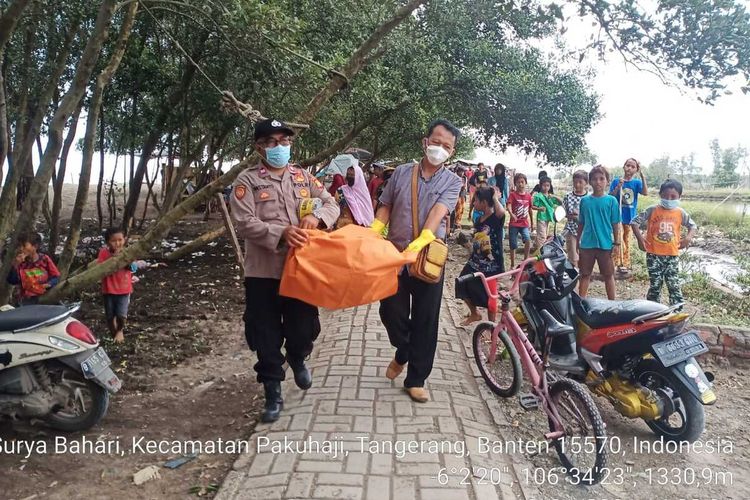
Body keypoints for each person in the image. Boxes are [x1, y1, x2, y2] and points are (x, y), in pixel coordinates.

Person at [231, 118, 340, 423]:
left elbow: (332, 204)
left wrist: (317, 218)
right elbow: (244, 222)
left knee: (304, 328)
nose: (279, 147)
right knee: (264, 334)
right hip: (263, 273)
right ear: (259, 148)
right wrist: (281, 233)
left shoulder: (304, 178)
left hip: (301, 270)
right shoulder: (247, 181)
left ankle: (297, 355)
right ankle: (272, 392)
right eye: (271, 142)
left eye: (284, 141)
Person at [371, 119, 462, 403]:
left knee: (426, 318)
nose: (440, 148)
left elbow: (438, 213)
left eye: (446, 146)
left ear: (452, 151)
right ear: (425, 142)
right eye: (436, 142)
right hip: (395, 255)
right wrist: (373, 232)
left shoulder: (453, 181)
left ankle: (416, 378)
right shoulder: (400, 173)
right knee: (390, 312)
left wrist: (420, 242)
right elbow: (385, 206)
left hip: (428, 256)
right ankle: (404, 350)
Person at [631, 180, 697, 308]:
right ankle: (652, 310)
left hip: (672, 255)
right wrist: (640, 239)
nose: (669, 199)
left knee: (674, 285)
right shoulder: (652, 210)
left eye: (673, 197)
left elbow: (693, 226)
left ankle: (677, 312)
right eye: (665, 196)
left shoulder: (680, 212)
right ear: (660, 195)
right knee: (655, 285)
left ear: (679, 197)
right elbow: (634, 222)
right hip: (653, 255)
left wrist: (687, 238)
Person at [455, 187, 506, 325]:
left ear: (484, 202)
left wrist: (495, 197)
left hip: (491, 266)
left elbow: (501, 211)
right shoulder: (479, 219)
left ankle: (492, 327)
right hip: (475, 262)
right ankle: (475, 314)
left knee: (491, 298)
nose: (473, 203)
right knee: (461, 283)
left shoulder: (495, 219)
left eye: (476, 201)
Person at [577, 165, 622, 300]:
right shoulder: (585, 201)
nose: (598, 182)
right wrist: (577, 242)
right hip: (587, 245)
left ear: (607, 181)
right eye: (595, 179)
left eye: (602, 179)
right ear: (590, 182)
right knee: (585, 274)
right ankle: (581, 302)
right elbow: (581, 223)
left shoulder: (611, 201)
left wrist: (617, 243)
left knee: (608, 275)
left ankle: (613, 304)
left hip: (605, 245)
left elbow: (615, 224)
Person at [98, 228, 139, 344]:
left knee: (121, 315)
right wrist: (113, 258)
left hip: (124, 289)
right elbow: (101, 268)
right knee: (110, 316)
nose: (117, 243)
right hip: (108, 289)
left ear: (124, 240)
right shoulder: (103, 253)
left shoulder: (127, 252)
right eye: (113, 241)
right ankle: (114, 335)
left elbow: (134, 268)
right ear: (107, 242)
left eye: (120, 240)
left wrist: (127, 263)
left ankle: (120, 330)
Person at [609, 158, 648, 274]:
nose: (629, 168)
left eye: (632, 167)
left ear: (636, 169)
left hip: (630, 218)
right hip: (617, 217)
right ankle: (616, 263)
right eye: (627, 165)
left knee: (627, 241)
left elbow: (645, 193)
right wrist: (618, 187)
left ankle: (624, 264)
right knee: (619, 240)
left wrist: (643, 177)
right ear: (624, 166)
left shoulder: (636, 183)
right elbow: (610, 196)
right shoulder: (617, 181)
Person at [6, 232, 60, 306]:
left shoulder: (45, 259)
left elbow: (56, 277)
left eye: (24, 245)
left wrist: (49, 284)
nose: (21, 249)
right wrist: (15, 265)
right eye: (20, 246)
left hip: (45, 297)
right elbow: (12, 281)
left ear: (35, 246)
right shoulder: (21, 263)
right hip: (26, 300)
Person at [562, 170, 589, 267]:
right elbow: (563, 212)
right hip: (571, 229)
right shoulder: (568, 197)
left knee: (584, 255)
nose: (577, 185)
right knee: (572, 256)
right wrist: (570, 216)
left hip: (586, 231)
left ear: (586, 183)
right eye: (575, 182)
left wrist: (580, 216)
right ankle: (574, 276)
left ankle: (583, 275)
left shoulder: (590, 198)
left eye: (580, 182)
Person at [335, 164, 375, 228]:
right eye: (348, 175)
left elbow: (367, 211)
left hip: (362, 227)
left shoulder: (363, 192)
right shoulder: (341, 190)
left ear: (358, 177)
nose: (349, 177)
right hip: (344, 225)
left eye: (352, 175)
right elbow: (336, 205)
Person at [506, 173, 532, 269]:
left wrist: (532, 223)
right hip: (514, 224)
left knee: (528, 240)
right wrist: (511, 214)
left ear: (525, 183)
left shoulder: (528, 196)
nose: (520, 184)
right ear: (515, 184)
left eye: (522, 182)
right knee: (513, 245)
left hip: (524, 224)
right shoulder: (513, 195)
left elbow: (530, 209)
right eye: (518, 182)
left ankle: (525, 262)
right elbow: (508, 205)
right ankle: (512, 265)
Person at [530, 176, 563, 250]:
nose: (546, 187)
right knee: (542, 236)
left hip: (549, 217)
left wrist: (554, 196)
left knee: (543, 234)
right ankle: (541, 251)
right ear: (540, 186)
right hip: (541, 217)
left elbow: (561, 202)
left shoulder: (550, 196)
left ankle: (535, 246)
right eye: (544, 185)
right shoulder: (538, 196)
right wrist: (539, 208)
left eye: (548, 185)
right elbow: (533, 206)